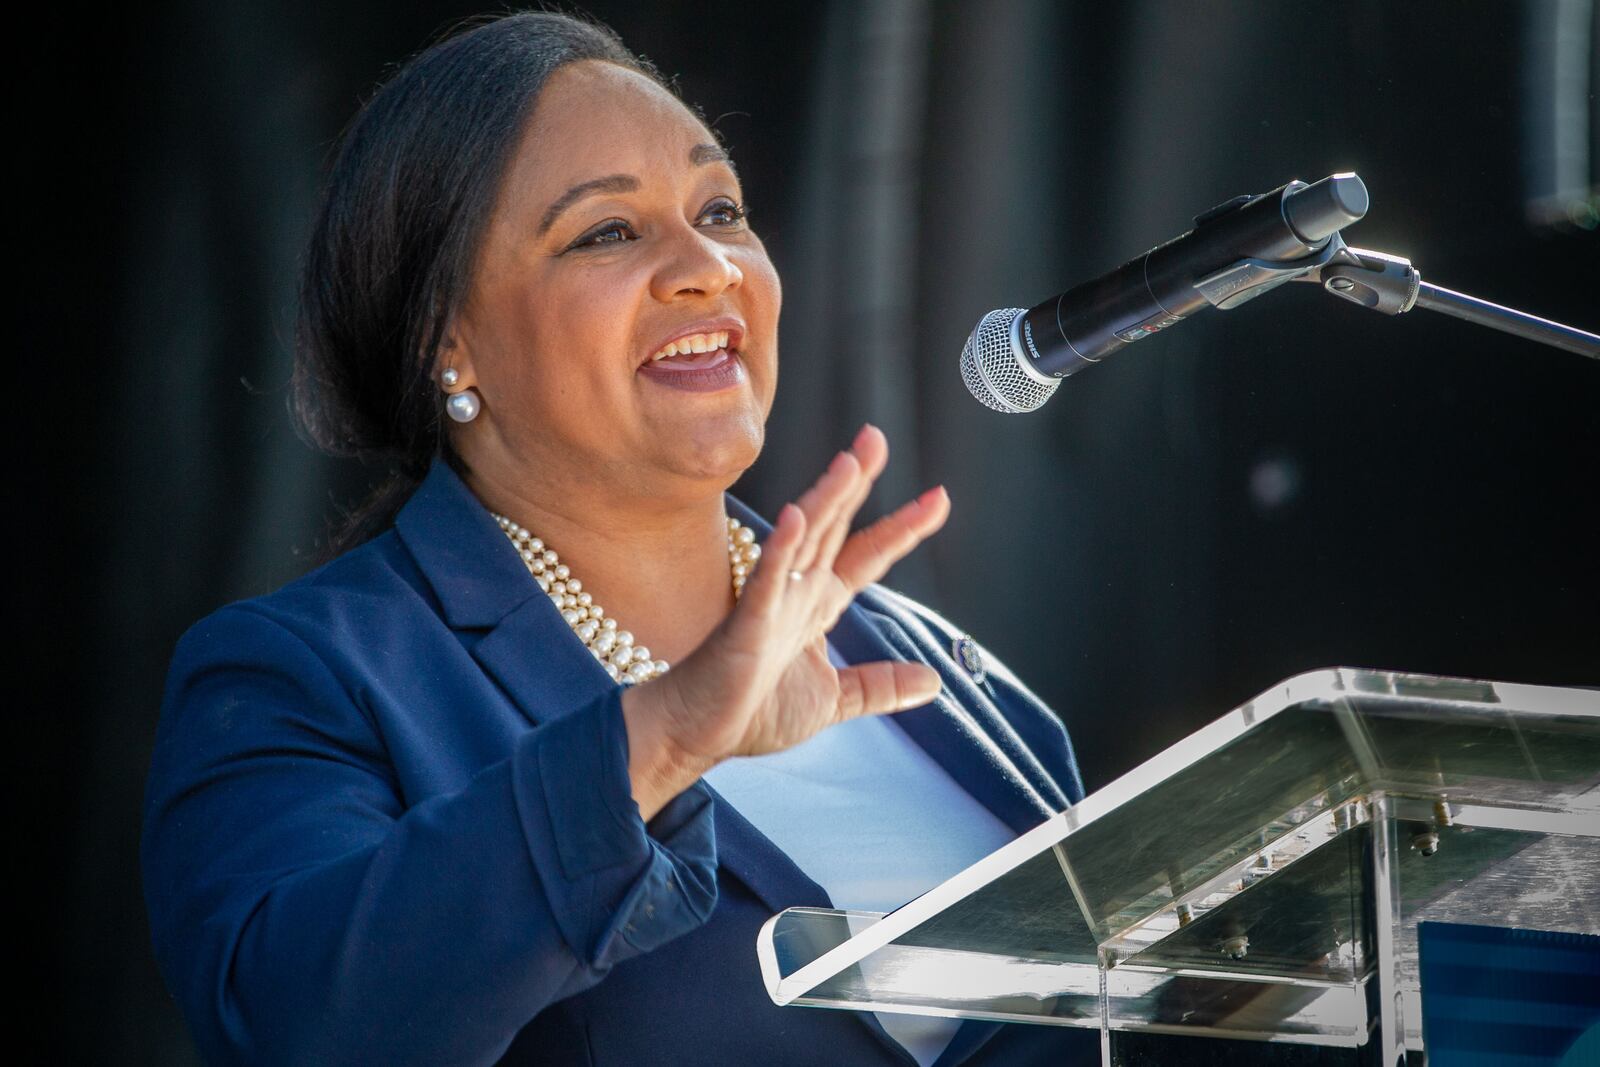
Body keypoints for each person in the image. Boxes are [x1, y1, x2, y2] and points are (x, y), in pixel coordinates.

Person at [141, 11, 1094, 1066]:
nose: (705, 267)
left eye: (720, 209)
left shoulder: (928, 667)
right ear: (444, 343)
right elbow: (298, 1026)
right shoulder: (307, 676)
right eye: (607, 230)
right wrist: (666, 735)